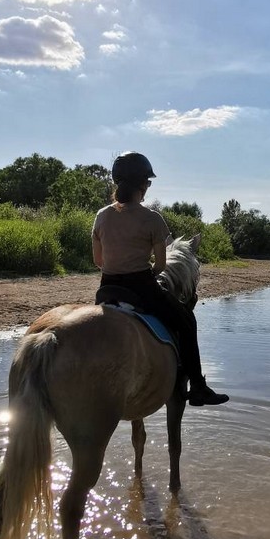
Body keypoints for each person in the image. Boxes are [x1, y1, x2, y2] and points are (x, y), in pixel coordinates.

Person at [92, 152, 229, 407]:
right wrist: (149, 273)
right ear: (143, 184)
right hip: (141, 288)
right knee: (187, 322)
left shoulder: (102, 216)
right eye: (148, 183)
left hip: (107, 289)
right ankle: (198, 387)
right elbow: (162, 265)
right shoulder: (152, 219)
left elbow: (97, 261)